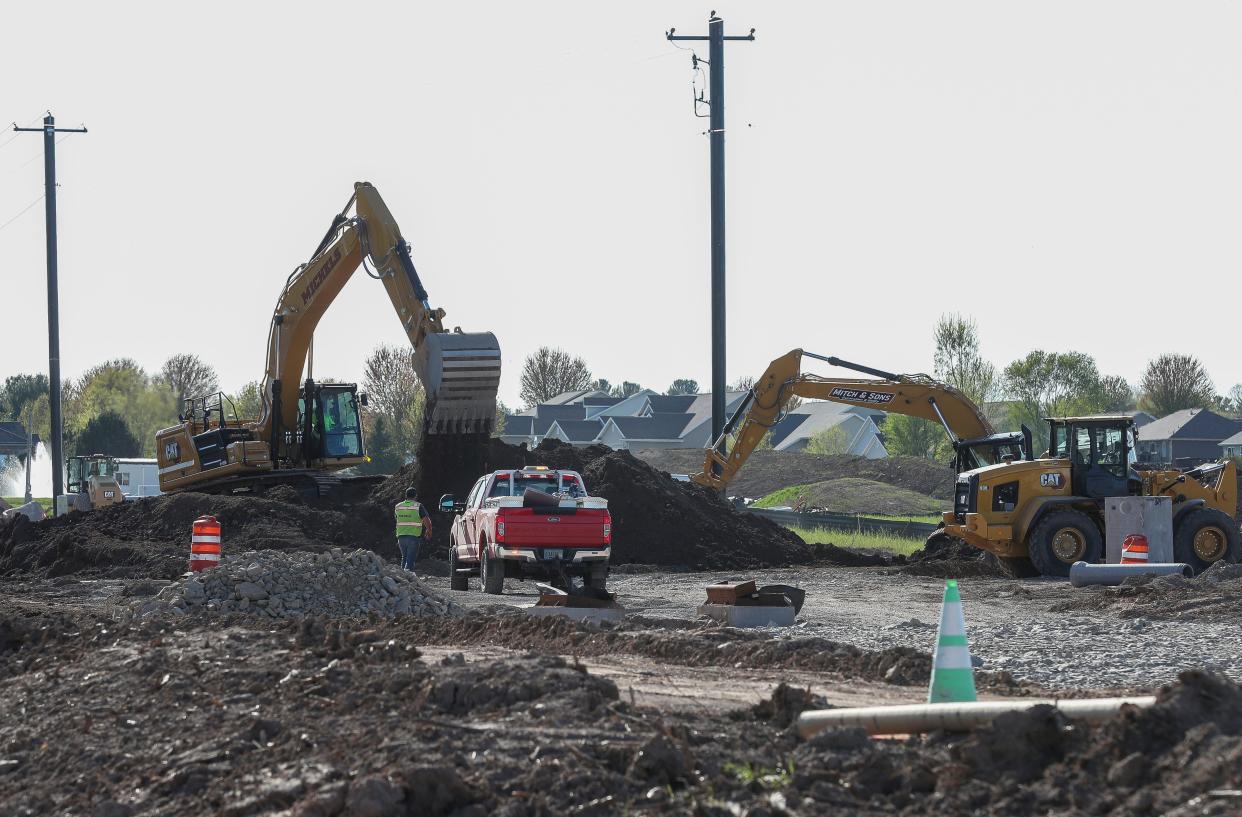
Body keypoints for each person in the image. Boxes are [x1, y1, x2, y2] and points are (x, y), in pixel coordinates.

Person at [394, 487, 432, 573]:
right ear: (415, 496)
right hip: (413, 537)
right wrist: (429, 530)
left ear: (406, 496)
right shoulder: (418, 506)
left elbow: (397, 519)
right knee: (410, 560)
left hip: (401, 537)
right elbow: (426, 520)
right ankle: (406, 579)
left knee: (405, 558)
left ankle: (401, 579)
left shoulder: (398, 506)